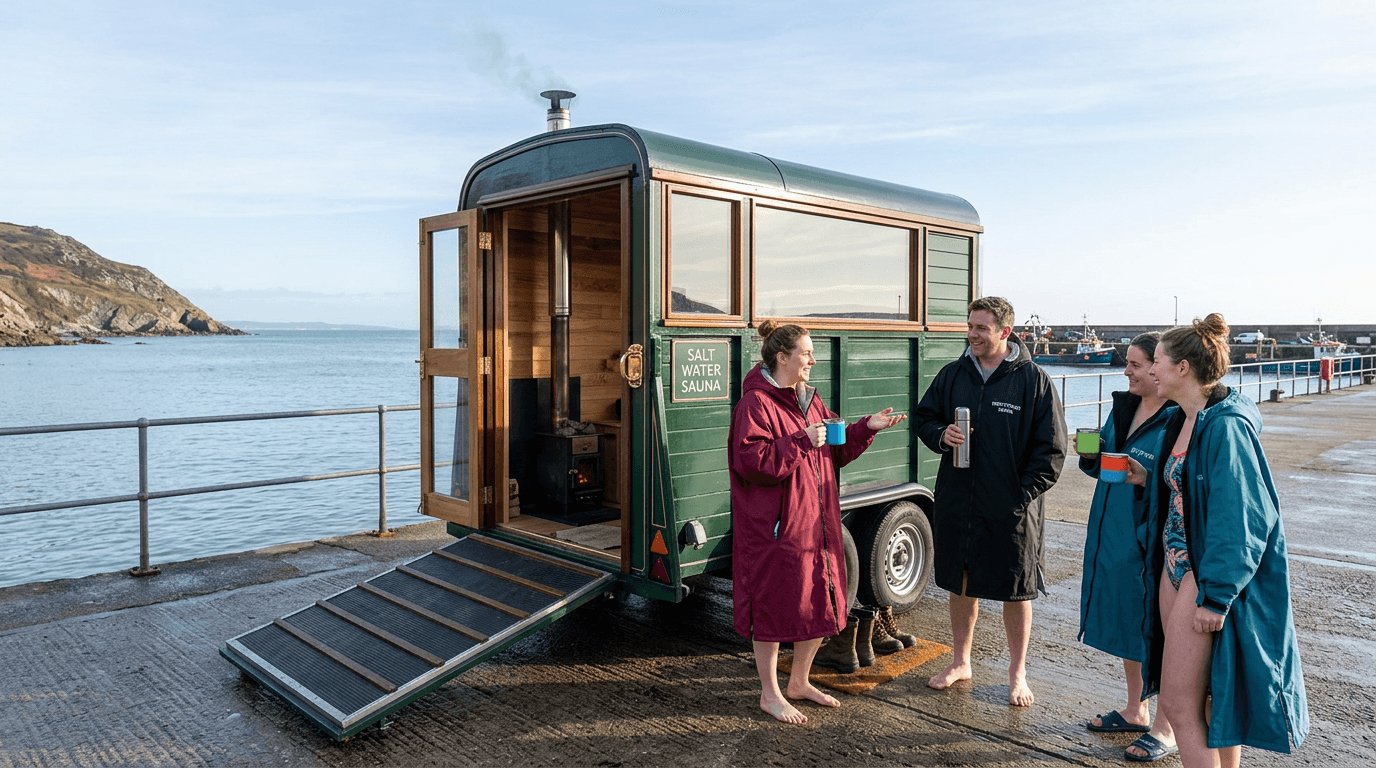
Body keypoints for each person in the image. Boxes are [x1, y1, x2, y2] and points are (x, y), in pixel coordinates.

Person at [1127, 314, 1308, 767]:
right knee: (1208, 701)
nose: (1151, 371)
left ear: (1183, 369)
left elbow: (1245, 519)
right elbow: (1195, 487)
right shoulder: (1184, 418)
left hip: (1204, 573)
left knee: (1178, 704)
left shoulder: (1226, 428)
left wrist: (1217, 596)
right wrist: (1150, 478)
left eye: (1159, 363)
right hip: (1177, 564)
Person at [729, 320, 907, 725]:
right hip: (777, 526)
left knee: (817, 600)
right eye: (806, 353)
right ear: (782, 357)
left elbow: (835, 450)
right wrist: (799, 441)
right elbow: (751, 462)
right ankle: (770, 694)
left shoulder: (810, 399)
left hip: (816, 520)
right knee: (773, 608)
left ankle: (799, 682)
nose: (813, 359)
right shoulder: (755, 404)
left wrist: (866, 428)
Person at [914, 297, 1066, 707]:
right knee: (962, 582)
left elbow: (1052, 451)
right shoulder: (953, 374)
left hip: (1013, 509)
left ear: (1004, 332)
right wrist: (940, 435)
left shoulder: (1033, 381)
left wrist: (1020, 496)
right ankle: (960, 660)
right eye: (970, 326)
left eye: (981, 328)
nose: (972, 334)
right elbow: (923, 417)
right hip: (960, 501)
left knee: (1017, 590)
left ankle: (1017, 673)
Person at [1078, 333, 1178, 762]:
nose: (1128, 371)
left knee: (1163, 629)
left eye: (1136, 364)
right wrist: (1091, 456)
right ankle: (1137, 708)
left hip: (1153, 535)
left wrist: (1146, 473)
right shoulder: (1126, 405)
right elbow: (1108, 456)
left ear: (1158, 370)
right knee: (1129, 620)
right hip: (1116, 529)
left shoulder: (1181, 416)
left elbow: (1181, 476)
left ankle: (1168, 727)